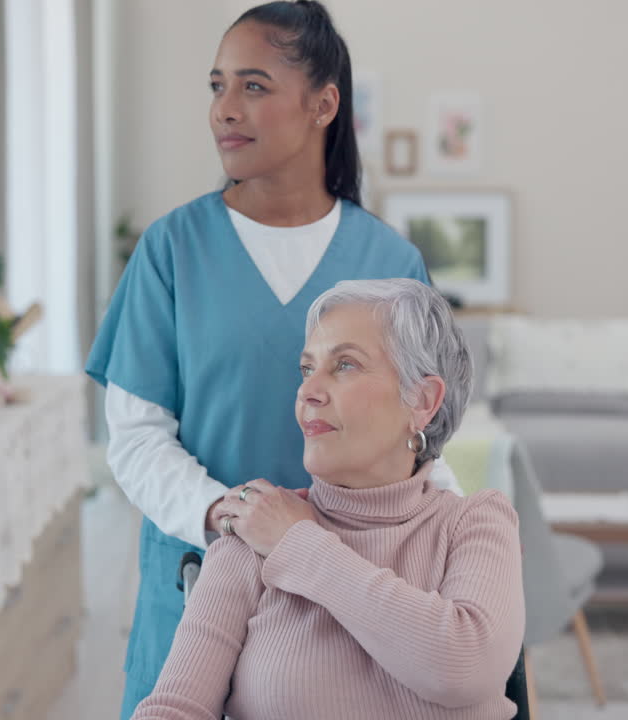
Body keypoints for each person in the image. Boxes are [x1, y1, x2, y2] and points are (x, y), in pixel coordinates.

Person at [84, 2, 463, 716]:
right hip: (195, 587)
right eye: (217, 86)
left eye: (253, 86)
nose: (225, 109)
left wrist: (464, 544)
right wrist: (226, 514)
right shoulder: (172, 250)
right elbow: (135, 438)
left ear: (323, 104)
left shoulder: (391, 262)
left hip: (343, 608)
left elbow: (419, 439)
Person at [132, 279, 526, 720]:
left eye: (345, 365)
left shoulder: (476, 524)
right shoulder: (251, 542)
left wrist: (301, 545)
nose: (308, 392)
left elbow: (462, 667)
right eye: (306, 369)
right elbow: (173, 709)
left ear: (422, 400)